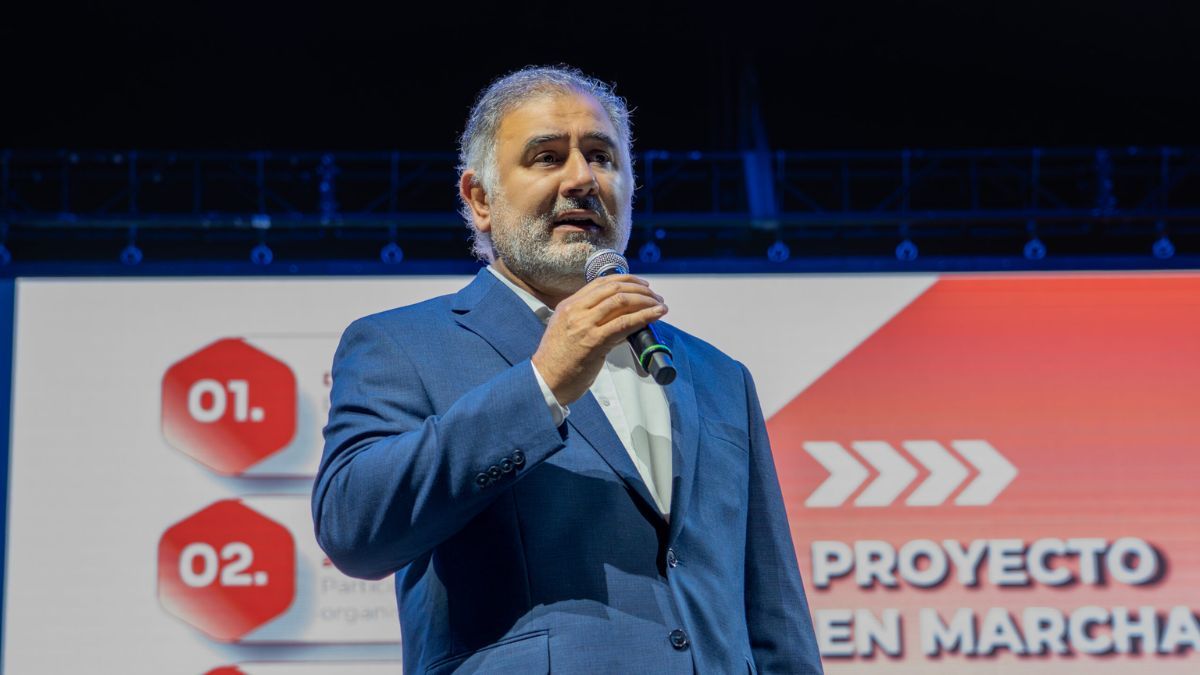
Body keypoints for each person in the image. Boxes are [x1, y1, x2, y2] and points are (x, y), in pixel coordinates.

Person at [313, 65, 823, 674]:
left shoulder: (717, 376)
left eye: (602, 157)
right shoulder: (401, 344)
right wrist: (541, 385)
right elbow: (354, 528)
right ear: (479, 199)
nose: (582, 179)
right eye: (547, 157)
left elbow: (774, 617)